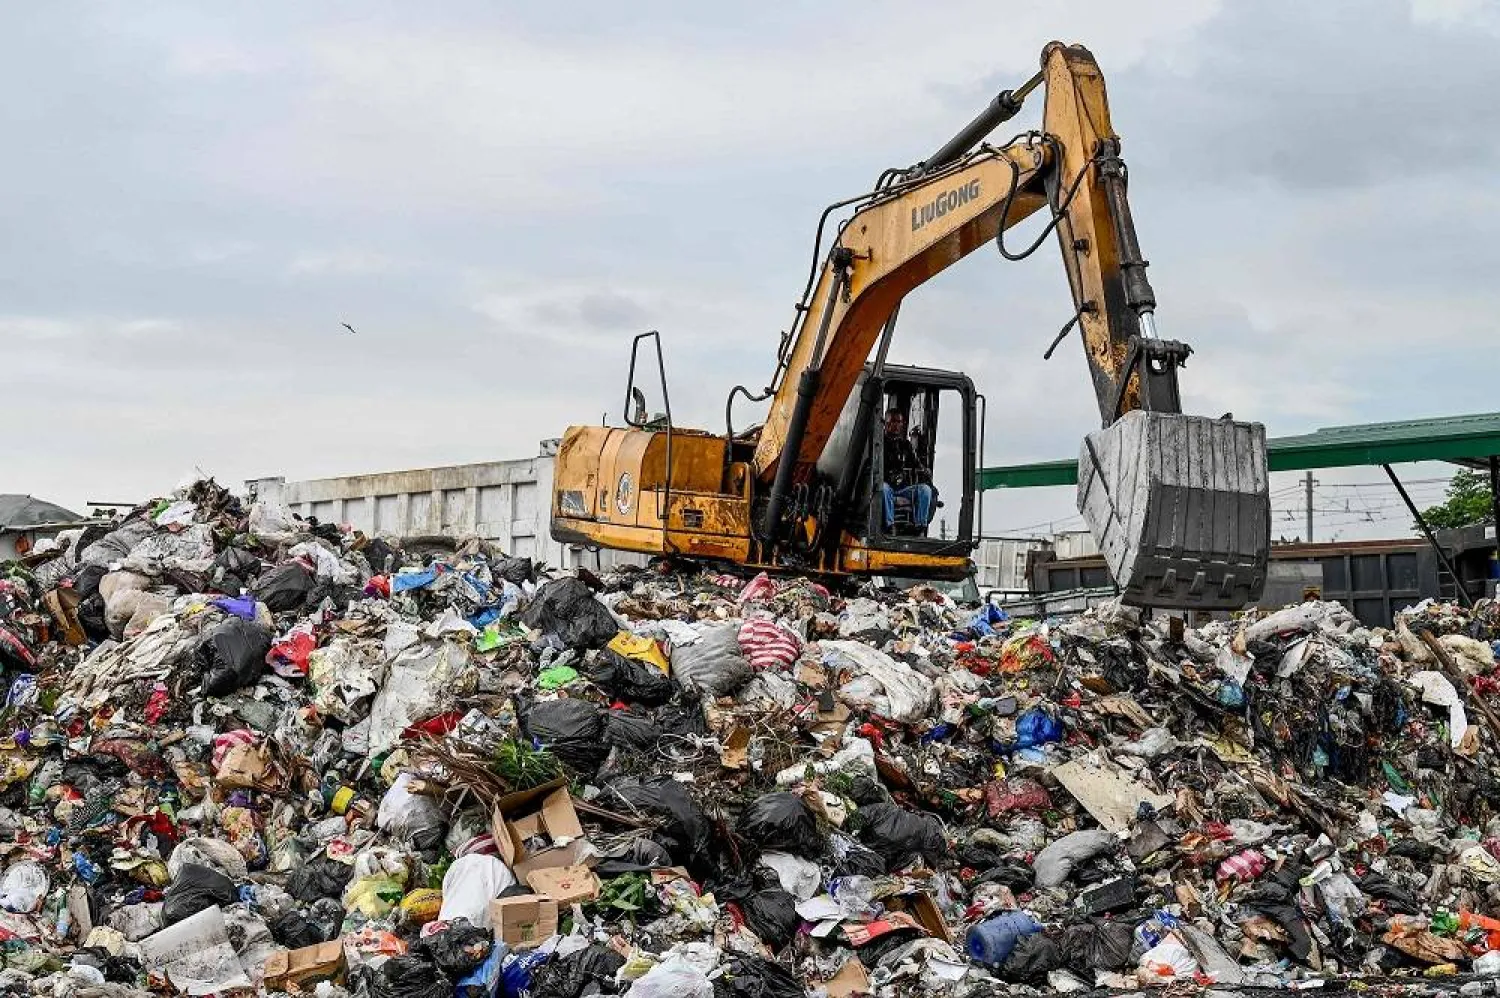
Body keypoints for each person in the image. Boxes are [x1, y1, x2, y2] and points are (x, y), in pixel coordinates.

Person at [880, 408, 933, 531]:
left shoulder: (905, 445)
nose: (897, 425)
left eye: (900, 422)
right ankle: (890, 525)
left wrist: (925, 471)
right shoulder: (879, 444)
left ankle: (920, 526)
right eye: (894, 421)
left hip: (903, 489)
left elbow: (917, 465)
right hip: (885, 488)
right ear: (886, 423)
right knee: (883, 488)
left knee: (925, 490)